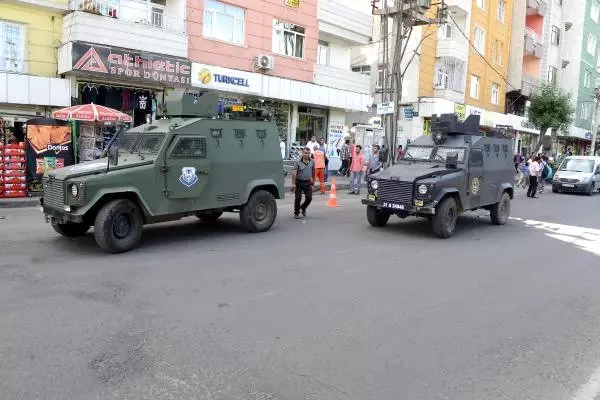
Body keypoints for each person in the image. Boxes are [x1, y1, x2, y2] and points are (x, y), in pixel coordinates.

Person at [291, 147, 315, 219]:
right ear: (302, 153)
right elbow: (294, 173)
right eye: (305, 153)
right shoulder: (298, 161)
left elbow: (313, 172)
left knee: (309, 198)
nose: (307, 155)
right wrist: (293, 184)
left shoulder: (312, 162)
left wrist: (313, 183)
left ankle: (303, 207)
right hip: (299, 182)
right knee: (298, 198)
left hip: (307, 182)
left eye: (308, 153)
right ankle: (296, 213)